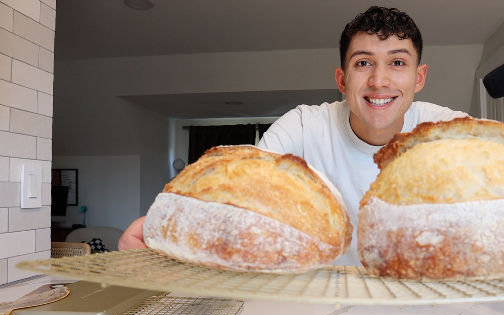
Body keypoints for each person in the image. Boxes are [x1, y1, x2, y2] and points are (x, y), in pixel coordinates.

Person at [118, 6, 469, 266]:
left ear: (418, 78)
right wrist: (168, 229)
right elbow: (246, 193)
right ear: (342, 79)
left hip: (417, 302)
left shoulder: (448, 132)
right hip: (317, 303)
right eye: (363, 63)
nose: (379, 81)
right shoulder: (304, 125)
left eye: (397, 63)